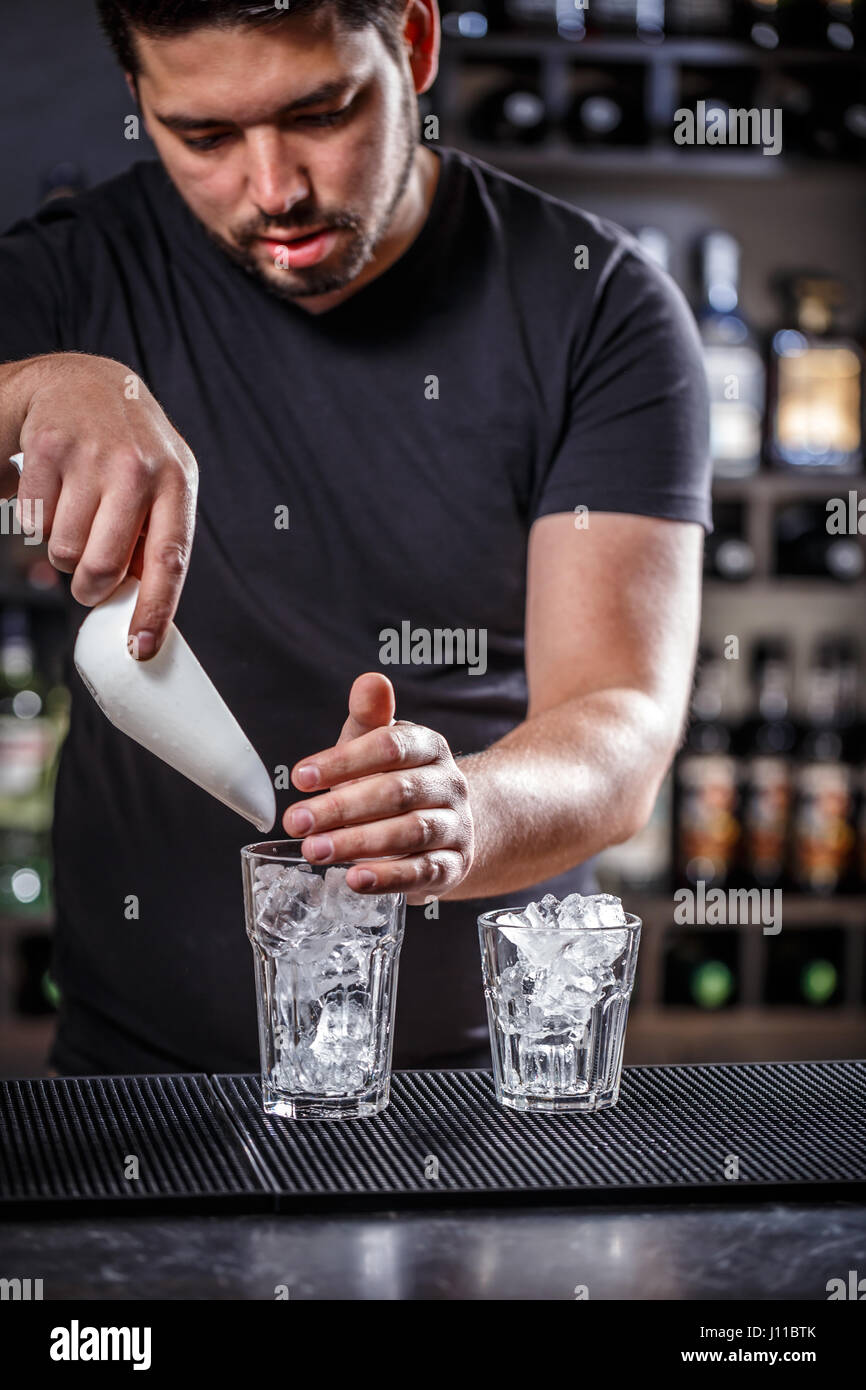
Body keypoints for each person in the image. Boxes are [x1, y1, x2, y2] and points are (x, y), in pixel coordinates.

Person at [0, 0, 710, 1076]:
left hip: (484, 1089)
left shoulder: (595, 306)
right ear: (140, 101)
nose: (276, 188)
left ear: (413, 44)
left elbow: (620, 720)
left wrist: (464, 809)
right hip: (134, 1085)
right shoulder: (70, 275)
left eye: (322, 111)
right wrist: (31, 387)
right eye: (205, 138)